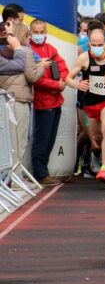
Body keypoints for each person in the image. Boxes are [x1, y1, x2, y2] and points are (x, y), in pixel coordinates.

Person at [65, 28, 105, 183]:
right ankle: (96, 155)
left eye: (100, 44)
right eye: (93, 44)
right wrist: (78, 84)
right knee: (96, 141)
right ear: (89, 43)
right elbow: (68, 78)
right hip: (89, 104)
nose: (97, 47)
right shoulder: (84, 58)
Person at [0, 21, 46, 174]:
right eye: (29, 34)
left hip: (4, 98)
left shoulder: (3, 51)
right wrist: (42, 67)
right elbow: (31, 76)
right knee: (19, 142)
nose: (30, 38)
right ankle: (16, 176)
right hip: (18, 100)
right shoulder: (25, 51)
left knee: (7, 142)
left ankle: (8, 176)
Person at [29, 19, 69, 187]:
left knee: (50, 139)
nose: (39, 35)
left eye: (42, 32)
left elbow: (63, 67)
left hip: (55, 100)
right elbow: (36, 79)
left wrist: (62, 81)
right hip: (41, 102)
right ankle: (41, 173)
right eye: (36, 32)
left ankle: (43, 171)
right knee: (42, 139)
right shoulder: (29, 51)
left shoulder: (51, 49)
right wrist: (57, 85)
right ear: (30, 32)